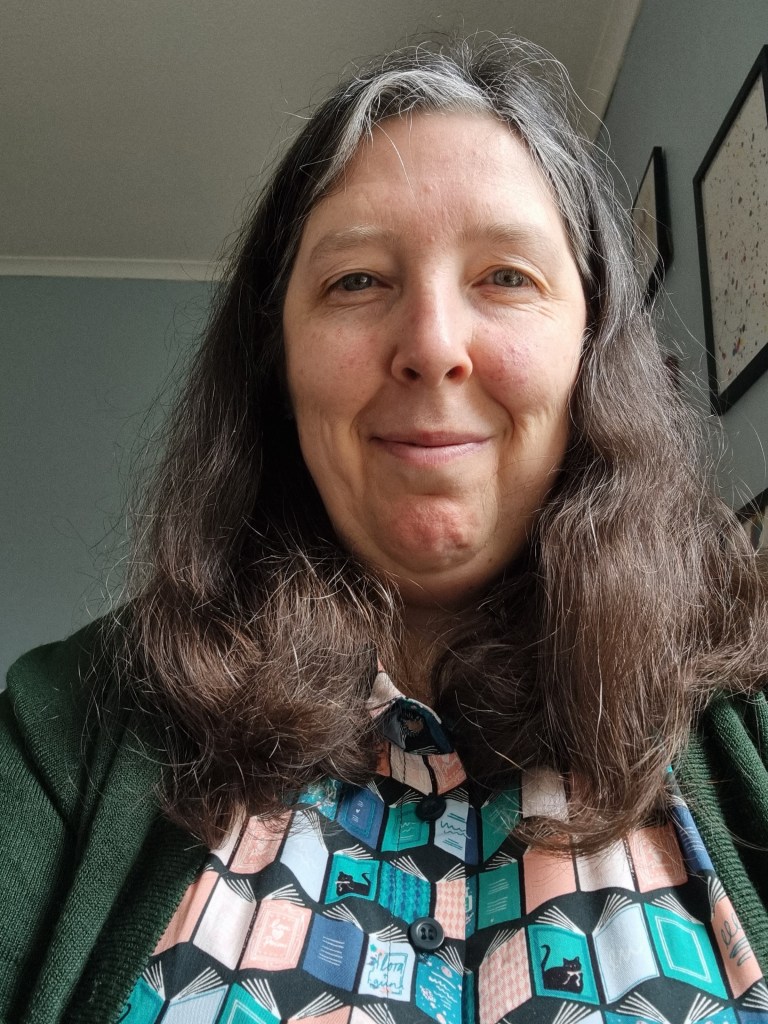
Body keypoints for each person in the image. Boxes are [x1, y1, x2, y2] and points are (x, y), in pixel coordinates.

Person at [2, 35, 768, 1024]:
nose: (433, 345)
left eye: (506, 276)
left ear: (591, 351)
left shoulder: (746, 716)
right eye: (357, 280)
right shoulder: (68, 725)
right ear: (280, 362)